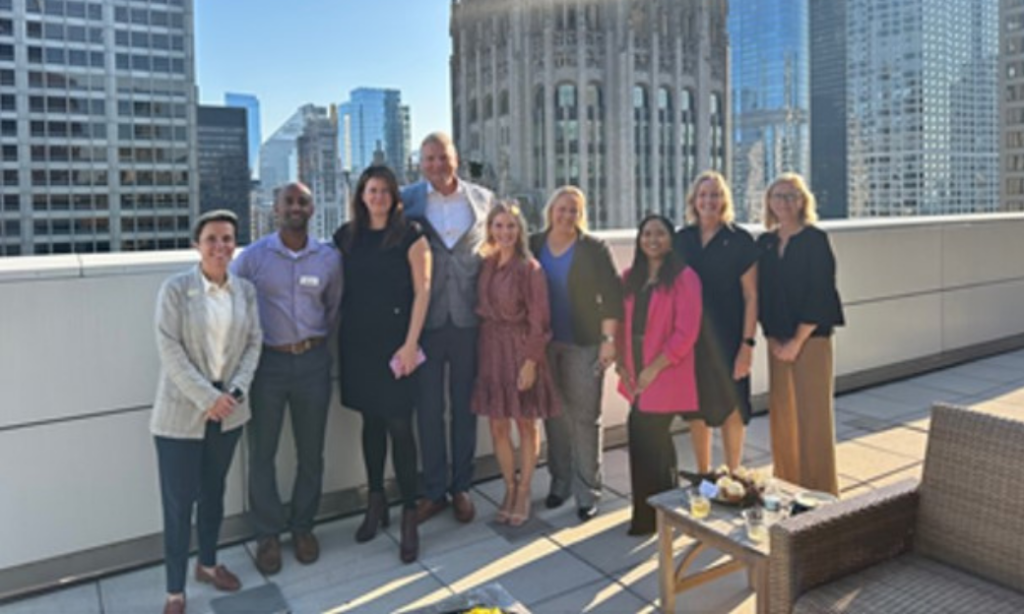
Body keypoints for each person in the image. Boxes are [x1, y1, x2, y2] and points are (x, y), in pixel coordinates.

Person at [152, 210, 262, 614]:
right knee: (179, 504)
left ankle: (209, 564)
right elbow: (169, 350)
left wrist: (233, 392)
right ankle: (175, 591)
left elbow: (254, 343)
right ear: (196, 244)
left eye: (228, 239)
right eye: (212, 239)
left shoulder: (245, 291)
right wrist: (207, 397)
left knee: (214, 493)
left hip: (229, 410)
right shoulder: (176, 290)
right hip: (181, 414)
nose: (220, 247)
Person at [231, 182, 343, 574]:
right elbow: (228, 297)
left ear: (312, 209)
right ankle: (267, 536)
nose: (296, 207)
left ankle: (302, 527)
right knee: (262, 453)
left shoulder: (328, 259)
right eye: (289, 202)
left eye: (303, 201)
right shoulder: (253, 257)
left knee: (311, 453)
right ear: (275, 209)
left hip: (313, 363)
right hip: (267, 366)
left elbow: (333, 309)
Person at [333, 166, 431, 562]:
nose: (378, 197)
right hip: (357, 343)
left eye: (385, 191)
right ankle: (376, 501)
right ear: (361, 195)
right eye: (371, 190)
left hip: (396, 346)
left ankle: (409, 510)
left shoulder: (411, 235)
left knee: (399, 425)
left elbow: (423, 291)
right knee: (370, 422)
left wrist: (410, 345)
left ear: (394, 197)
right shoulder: (346, 236)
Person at [401, 132, 495, 525]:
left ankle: (462, 487)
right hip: (426, 320)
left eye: (443, 157)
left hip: (469, 320)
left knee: (464, 407)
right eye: (429, 159)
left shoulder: (483, 199)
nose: (436, 165)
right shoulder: (407, 200)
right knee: (427, 409)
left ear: (456, 159)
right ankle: (434, 489)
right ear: (420, 163)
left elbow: (495, 246)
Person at [529, 186, 623, 522]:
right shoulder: (534, 244)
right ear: (551, 210)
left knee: (585, 418)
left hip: (584, 343)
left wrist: (608, 340)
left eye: (574, 210)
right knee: (554, 416)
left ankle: (588, 492)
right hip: (545, 345)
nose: (567, 215)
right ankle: (560, 483)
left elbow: (613, 295)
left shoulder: (593, 248)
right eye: (562, 208)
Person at [471, 202, 560, 526]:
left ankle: (524, 490)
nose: (504, 232)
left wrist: (531, 362)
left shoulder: (530, 268)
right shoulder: (487, 264)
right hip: (491, 349)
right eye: (498, 225)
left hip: (521, 348)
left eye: (511, 226)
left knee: (525, 424)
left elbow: (540, 321)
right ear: (490, 228)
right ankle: (508, 488)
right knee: (497, 424)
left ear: (520, 230)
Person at [757, 173, 845, 495]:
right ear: (769, 202)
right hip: (776, 341)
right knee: (783, 418)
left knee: (814, 419)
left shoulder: (815, 240)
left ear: (803, 200)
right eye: (778, 196)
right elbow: (761, 294)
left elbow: (821, 292)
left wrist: (796, 342)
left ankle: (820, 494)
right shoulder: (765, 243)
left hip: (810, 340)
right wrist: (773, 340)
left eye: (792, 195)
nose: (784, 202)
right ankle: (787, 486)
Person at [616, 214, 702, 535]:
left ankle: (648, 517)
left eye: (660, 234)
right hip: (635, 369)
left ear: (671, 239)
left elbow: (686, 332)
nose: (653, 239)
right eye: (647, 233)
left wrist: (653, 368)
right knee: (658, 443)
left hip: (666, 370)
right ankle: (668, 509)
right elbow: (621, 325)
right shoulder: (629, 277)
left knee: (643, 436)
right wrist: (622, 366)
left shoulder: (685, 278)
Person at [675, 171, 758, 475]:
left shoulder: (740, 240)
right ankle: (703, 474)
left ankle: (734, 474)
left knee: (733, 406)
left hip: (730, 335)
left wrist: (747, 345)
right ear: (693, 201)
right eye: (703, 195)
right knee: (697, 407)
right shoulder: (681, 239)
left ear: (725, 200)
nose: (709, 200)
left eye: (715, 194)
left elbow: (751, 296)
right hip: (691, 339)